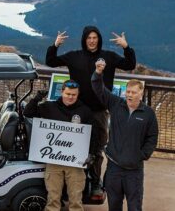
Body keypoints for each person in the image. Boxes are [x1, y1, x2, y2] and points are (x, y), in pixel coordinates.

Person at [46, 26, 136, 195]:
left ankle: (95, 182)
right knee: (73, 146)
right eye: (89, 38)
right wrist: (55, 45)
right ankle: (72, 181)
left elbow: (130, 64)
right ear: (84, 40)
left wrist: (126, 47)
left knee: (97, 149)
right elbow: (51, 61)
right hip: (77, 111)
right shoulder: (74, 56)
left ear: (99, 39)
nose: (92, 41)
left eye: (95, 37)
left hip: (99, 111)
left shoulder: (108, 57)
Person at [92, 60, 158, 211]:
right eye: (128, 92)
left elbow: (152, 137)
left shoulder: (148, 114)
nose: (129, 95)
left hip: (134, 169)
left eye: (133, 92)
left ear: (141, 93)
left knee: (134, 204)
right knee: (113, 202)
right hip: (113, 166)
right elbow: (98, 89)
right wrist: (97, 73)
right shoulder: (116, 104)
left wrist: (143, 155)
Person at [23, 81, 97, 211]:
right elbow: (28, 113)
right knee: (53, 197)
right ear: (61, 92)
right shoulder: (48, 107)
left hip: (76, 163)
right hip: (54, 161)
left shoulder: (85, 111)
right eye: (68, 93)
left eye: (73, 94)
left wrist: (91, 154)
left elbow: (93, 135)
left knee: (75, 199)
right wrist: (36, 98)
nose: (70, 97)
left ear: (77, 95)